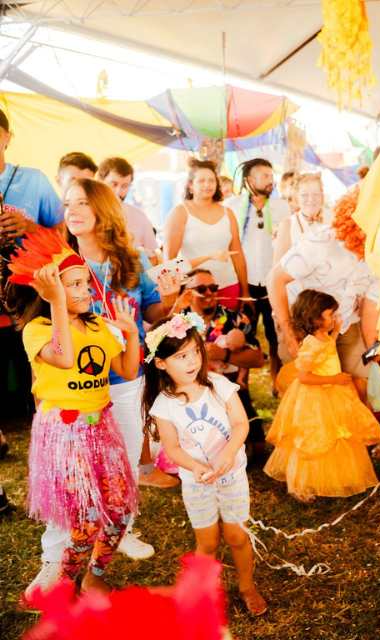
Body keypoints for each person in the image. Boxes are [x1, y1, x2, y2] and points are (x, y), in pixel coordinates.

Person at [7, 228, 140, 595]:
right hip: (65, 432)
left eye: (86, 283)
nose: (87, 291)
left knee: (119, 510)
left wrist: (131, 334)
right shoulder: (37, 329)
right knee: (85, 519)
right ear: (49, 291)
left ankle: (94, 576)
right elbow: (64, 358)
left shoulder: (97, 325)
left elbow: (126, 371)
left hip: (102, 427)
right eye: (75, 285)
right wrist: (55, 304)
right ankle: (65, 582)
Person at [61, 178, 179, 569]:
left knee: (126, 458)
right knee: (81, 461)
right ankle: (75, 532)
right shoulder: (60, 263)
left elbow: (152, 315)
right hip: (80, 382)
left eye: (81, 202)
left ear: (103, 209)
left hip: (127, 380)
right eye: (68, 204)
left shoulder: (133, 260)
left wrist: (171, 297)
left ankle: (120, 529)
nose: (72, 211)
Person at [142, 312, 267, 616]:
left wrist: (228, 454)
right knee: (207, 543)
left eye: (195, 352)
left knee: (237, 536)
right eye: (181, 356)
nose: (191, 361)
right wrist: (194, 467)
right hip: (197, 484)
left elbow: (240, 424)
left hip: (232, 477)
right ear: (161, 363)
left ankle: (247, 586)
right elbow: (171, 447)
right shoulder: (164, 405)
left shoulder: (218, 385)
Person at [264, 290, 380, 499]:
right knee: (314, 438)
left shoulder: (323, 337)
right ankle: (302, 484)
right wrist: (333, 380)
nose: (335, 318)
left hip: (332, 393)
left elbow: (328, 349)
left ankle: (335, 476)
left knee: (338, 433)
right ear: (315, 318)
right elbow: (303, 376)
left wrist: (335, 332)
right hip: (316, 396)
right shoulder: (311, 344)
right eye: (331, 315)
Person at [0, 106, 63, 422]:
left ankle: (35, 413)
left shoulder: (33, 180)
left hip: (29, 290)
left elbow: (65, 235)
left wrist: (29, 228)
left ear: (7, 137)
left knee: (30, 352)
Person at [269, 224, 380, 400]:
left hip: (345, 326)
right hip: (303, 328)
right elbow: (275, 279)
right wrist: (289, 334)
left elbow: (370, 307)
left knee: (358, 387)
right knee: (302, 395)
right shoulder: (322, 243)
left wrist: (373, 350)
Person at [176, 267, 267, 465]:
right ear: (188, 293)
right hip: (190, 395)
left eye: (213, 287)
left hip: (230, 391)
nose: (210, 293)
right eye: (202, 289)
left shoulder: (235, 318)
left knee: (258, 451)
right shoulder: (177, 322)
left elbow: (258, 358)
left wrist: (223, 354)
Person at [223, 158, 289, 383]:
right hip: (244, 282)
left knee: (275, 334)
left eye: (272, 176)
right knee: (243, 334)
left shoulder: (282, 207)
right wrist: (241, 288)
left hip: (273, 281)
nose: (271, 180)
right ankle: (242, 384)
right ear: (249, 180)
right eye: (265, 176)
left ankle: (276, 378)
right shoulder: (232, 206)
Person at [164, 159, 248, 311]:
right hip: (195, 292)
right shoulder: (180, 213)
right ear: (190, 185)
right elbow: (169, 262)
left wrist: (245, 291)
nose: (207, 185)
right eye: (201, 181)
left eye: (211, 180)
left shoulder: (228, 213)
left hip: (229, 287)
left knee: (228, 333)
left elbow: (238, 255)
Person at [97, 157, 158, 259]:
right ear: (100, 181)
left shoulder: (139, 217)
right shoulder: (87, 214)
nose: (118, 191)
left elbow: (153, 257)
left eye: (125, 186)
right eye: (114, 184)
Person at [273, 172, 326, 266]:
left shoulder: (331, 222)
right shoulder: (288, 224)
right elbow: (277, 269)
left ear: (322, 196)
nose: (311, 199)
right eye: (304, 195)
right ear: (297, 198)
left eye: (316, 194)